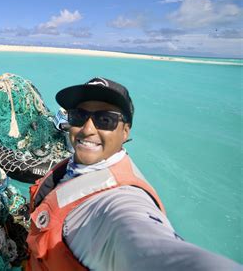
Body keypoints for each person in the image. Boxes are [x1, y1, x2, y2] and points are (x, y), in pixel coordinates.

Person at [26, 77, 241, 270]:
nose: (87, 129)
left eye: (105, 120)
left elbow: (149, 245)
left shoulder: (120, 204)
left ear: (125, 131)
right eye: (78, 116)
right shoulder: (72, 167)